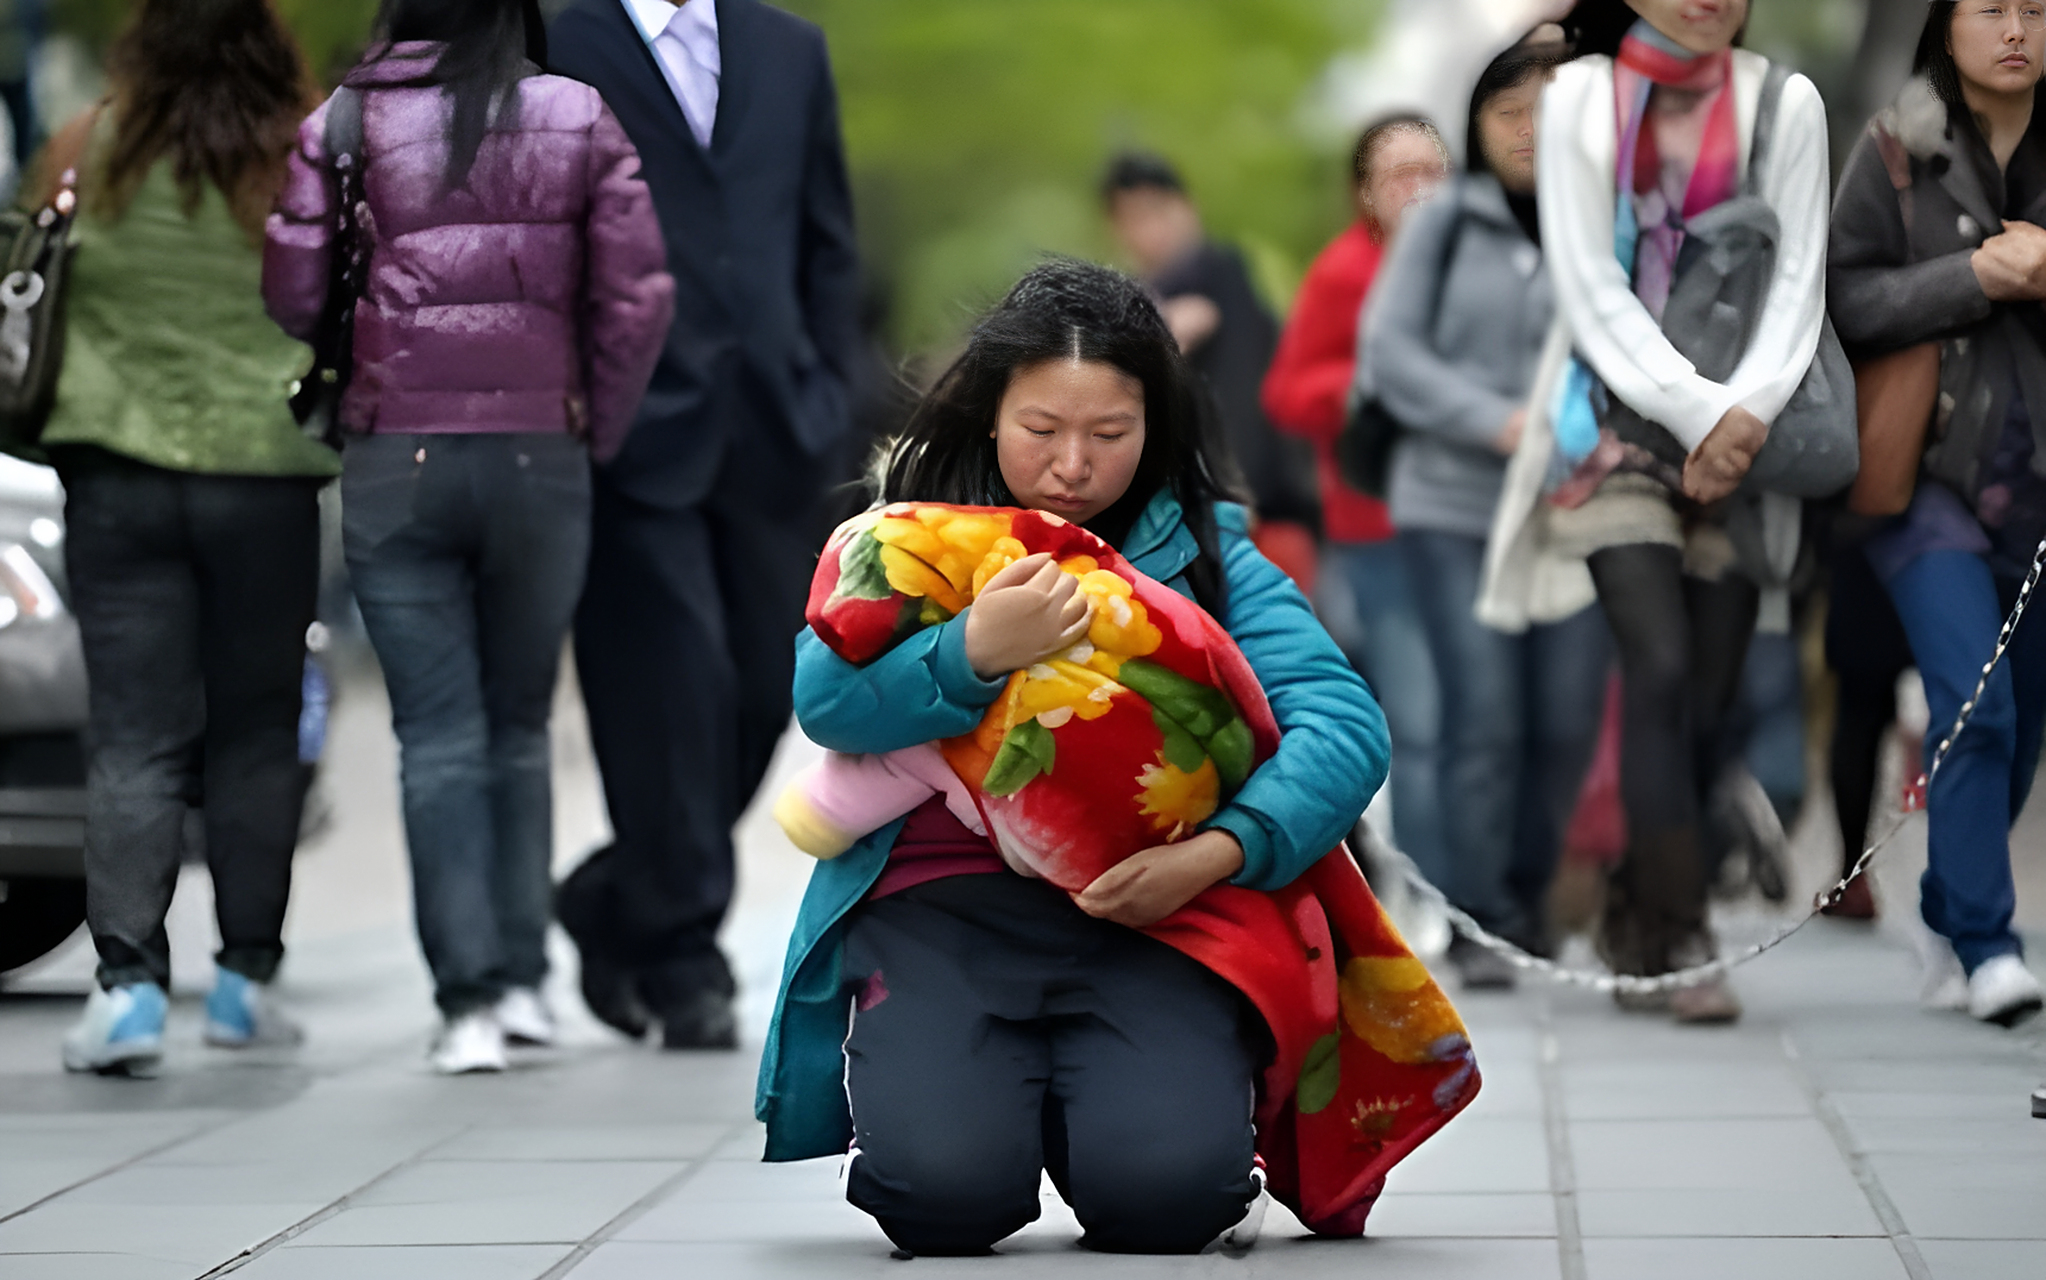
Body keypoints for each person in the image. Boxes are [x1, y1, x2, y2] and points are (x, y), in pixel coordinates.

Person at [756, 261, 1391, 1255]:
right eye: (1041, 429)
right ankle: (995, 1107)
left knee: (1171, 1204)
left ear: (1156, 427)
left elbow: (1344, 724)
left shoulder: (1207, 551)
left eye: (1109, 434)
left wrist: (1220, 851)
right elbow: (825, 702)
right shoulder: (909, 539)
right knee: (940, 1201)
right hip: (941, 911)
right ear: (989, 415)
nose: (1072, 466)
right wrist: (967, 651)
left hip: (1155, 914)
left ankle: (1106, 1110)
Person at [264, 0, 674, 1073]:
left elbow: (293, 291)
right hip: (542, 454)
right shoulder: (577, 114)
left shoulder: (343, 122)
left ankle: (468, 1003)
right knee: (520, 722)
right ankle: (527, 976)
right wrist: (592, 422)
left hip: (396, 454)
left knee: (436, 735)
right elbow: (638, 297)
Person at [1482, 0, 1833, 1023]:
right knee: (1661, 664)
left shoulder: (1787, 103)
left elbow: (1799, 279)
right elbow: (1590, 286)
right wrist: (1696, 412)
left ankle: (1640, 904)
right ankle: (1683, 936)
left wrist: (1742, 416)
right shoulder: (1580, 98)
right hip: (1615, 438)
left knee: (1715, 694)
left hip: (1750, 436)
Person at [546, 0, 860, 1050]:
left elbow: (826, 235)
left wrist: (826, 390)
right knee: (666, 695)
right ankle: (685, 956)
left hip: (775, 431)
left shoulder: (789, 48)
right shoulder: (561, 41)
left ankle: (615, 895)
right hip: (630, 428)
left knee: (766, 690)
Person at [32, 0, 337, 1075]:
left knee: (133, 732)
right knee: (256, 730)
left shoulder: (88, 145)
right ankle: (246, 982)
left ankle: (127, 989)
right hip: (265, 478)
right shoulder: (304, 153)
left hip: (118, 473)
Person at [1361, 37, 1609, 988]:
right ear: (1477, 124)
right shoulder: (1443, 225)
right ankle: (1482, 921)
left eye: (1552, 112)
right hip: (1452, 506)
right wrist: (1497, 422)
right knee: (1484, 711)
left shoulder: (1610, 221)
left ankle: (1529, 899)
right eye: (1510, 112)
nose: (1530, 131)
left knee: (1567, 717)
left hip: (1572, 510)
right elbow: (1390, 353)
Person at [1828, 0, 2046, 1026]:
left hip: (2037, 490)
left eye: (2035, 9)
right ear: (1947, 28)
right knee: (1977, 704)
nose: (2017, 29)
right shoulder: (1895, 147)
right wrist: (1975, 275)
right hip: (1924, 482)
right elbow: (1844, 301)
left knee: (2021, 726)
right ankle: (1990, 942)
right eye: (1991, 9)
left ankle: (1946, 906)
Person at [1262, 114, 1451, 893]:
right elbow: (1287, 392)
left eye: (1433, 171)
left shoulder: (1476, 255)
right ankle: (1439, 896)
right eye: (1401, 175)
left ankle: (1492, 895)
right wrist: (1373, 385)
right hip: (1380, 531)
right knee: (1421, 717)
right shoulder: (1343, 274)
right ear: (1365, 192)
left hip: (1481, 522)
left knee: (1489, 717)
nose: (1420, 190)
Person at [1102, 151, 1322, 582]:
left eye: (1159, 211)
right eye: (1134, 218)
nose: (1151, 230)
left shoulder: (1216, 272)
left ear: (1188, 207)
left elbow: (1202, 332)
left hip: (1256, 511)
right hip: (1206, 518)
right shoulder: (1155, 290)